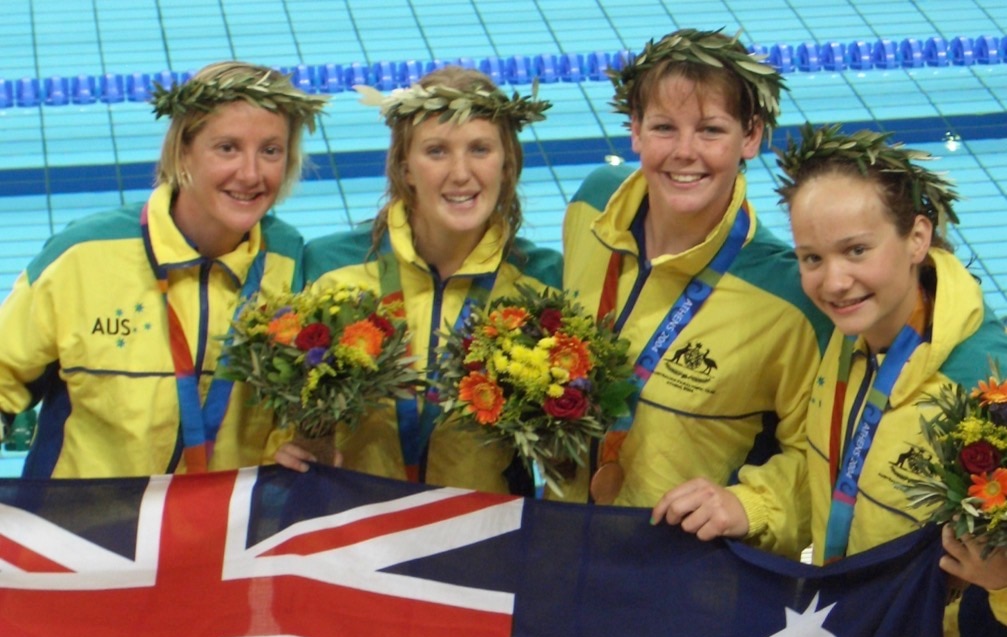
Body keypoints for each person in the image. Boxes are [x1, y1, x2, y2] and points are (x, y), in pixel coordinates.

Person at [653, 124, 1007, 637]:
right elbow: (833, 473)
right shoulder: (850, 342)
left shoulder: (984, 382)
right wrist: (747, 506)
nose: (833, 282)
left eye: (857, 250)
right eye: (812, 258)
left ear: (917, 236)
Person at [560, 28, 830, 557]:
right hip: (565, 542)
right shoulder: (591, 206)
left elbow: (823, 462)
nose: (685, 153)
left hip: (686, 575)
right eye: (664, 127)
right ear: (634, 130)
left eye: (710, 130)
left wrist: (749, 505)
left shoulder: (788, 296)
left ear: (750, 137)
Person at [0, 61, 327, 478]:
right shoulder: (84, 255)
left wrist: (296, 443)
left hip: (223, 531)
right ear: (183, 150)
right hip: (81, 531)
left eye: (270, 151)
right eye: (227, 147)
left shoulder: (292, 265)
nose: (250, 174)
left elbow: (303, 406)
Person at [276, 66, 562, 495]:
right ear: (405, 168)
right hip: (355, 535)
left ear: (507, 165)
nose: (461, 173)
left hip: (485, 540)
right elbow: (291, 413)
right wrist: (298, 443)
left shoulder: (542, 283)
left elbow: (566, 460)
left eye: (480, 149)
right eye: (437, 151)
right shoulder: (331, 267)